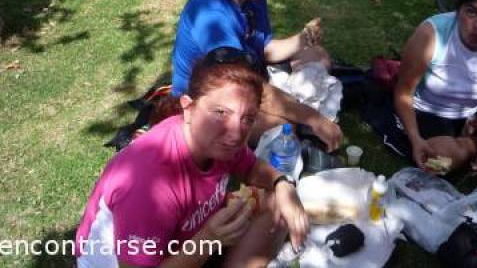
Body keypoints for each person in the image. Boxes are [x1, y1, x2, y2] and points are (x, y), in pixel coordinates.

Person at [75, 48, 309, 268]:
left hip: (185, 239)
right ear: (188, 107)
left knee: (278, 202)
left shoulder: (218, 141)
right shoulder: (150, 184)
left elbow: (251, 168)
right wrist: (208, 239)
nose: (237, 133)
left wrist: (282, 183)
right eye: (220, 113)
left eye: (248, 118)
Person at [171, 0, 342, 152]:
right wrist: (313, 118)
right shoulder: (211, 15)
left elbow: (264, 48)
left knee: (317, 53)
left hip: (246, 75)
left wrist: (302, 39)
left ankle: (300, 111)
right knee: (284, 128)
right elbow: (243, 85)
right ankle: (303, 118)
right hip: (210, 97)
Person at [393, 0, 477, 174]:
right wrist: (415, 139)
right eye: (471, 11)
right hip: (427, 111)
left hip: (474, 112)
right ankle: (474, 143)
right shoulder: (431, 33)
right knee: (438, 163)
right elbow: (403, 93)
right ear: (458, 11)